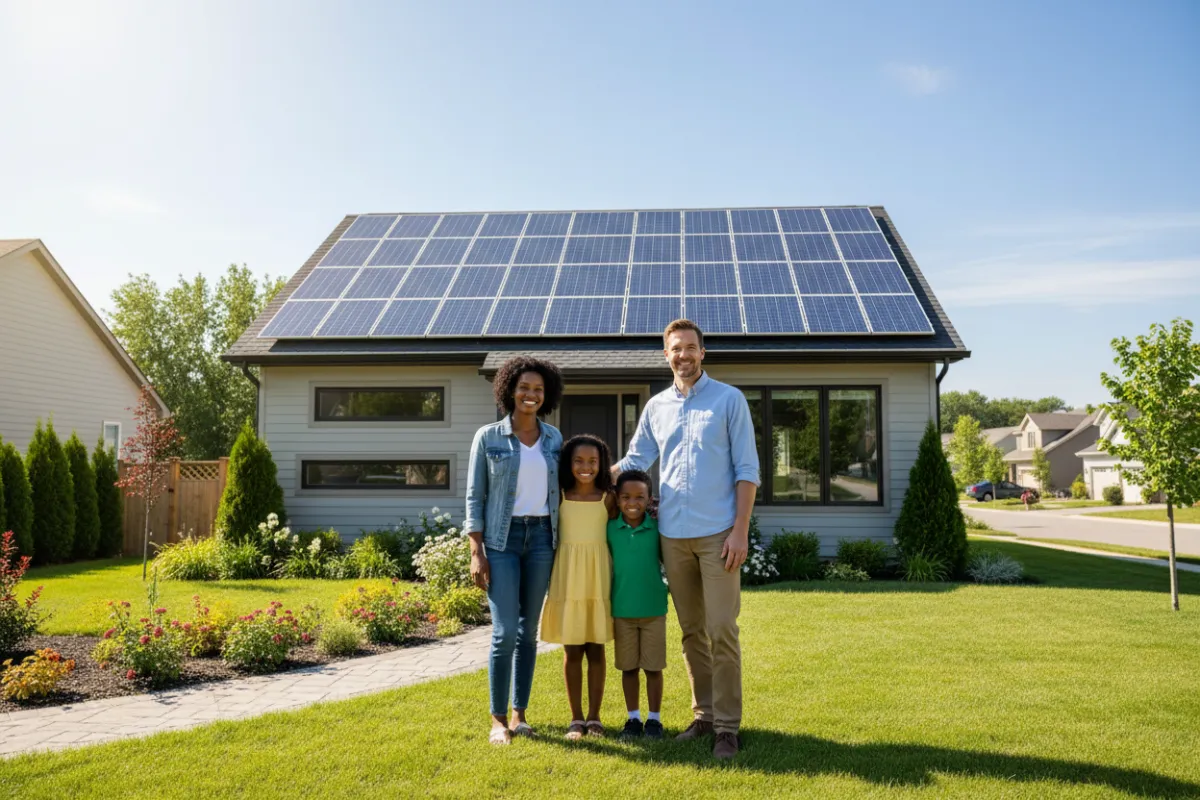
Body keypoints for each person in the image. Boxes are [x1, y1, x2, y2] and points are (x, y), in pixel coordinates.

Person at [612, 318, 760, 760]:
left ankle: (728, 729)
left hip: (719, 536)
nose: (684, 355)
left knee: (721, 630)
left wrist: (740, 531)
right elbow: (636, 458)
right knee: (692, 631)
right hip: (673, 536)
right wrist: (589, 476)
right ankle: (704, 717)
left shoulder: (729, 401)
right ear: (666, 355)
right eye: (676, 348)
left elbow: (747, 471)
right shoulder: (656, 407)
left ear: (703, 352)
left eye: (691, 347)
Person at [465, 356, 564, 746]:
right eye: (524, 387)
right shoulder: (487, 437)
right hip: (501, 542)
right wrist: (476, 550)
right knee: (505, 631)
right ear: (509, 389)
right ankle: (497, 719)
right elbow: (475, 496)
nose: (531, 395)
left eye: (538, 389)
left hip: (541, 538)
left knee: (528, 632)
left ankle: (521, 714)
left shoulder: (554, 439)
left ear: (547, 395)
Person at [540, 434, 616, 740]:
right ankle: (575, 719)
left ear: (602, 464)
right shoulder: (558, 496)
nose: (586, 467)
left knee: (596, 649)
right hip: (568, 577)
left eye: (593, 461)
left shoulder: (608, 497)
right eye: (579, 461)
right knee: (572, 651)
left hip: (598, 578)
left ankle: (595, 718)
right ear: (568, 464)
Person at [608, 469, 668, 741]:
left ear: (650, 499)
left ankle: (654, 720)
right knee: (628, 668)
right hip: (622, 611)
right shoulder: (610, 530)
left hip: (654, 609)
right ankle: (633, 718)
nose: (633, 502)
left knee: (653, 668)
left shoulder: (658, 529)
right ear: (617, 499)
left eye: (640, 497)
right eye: (626, 497)